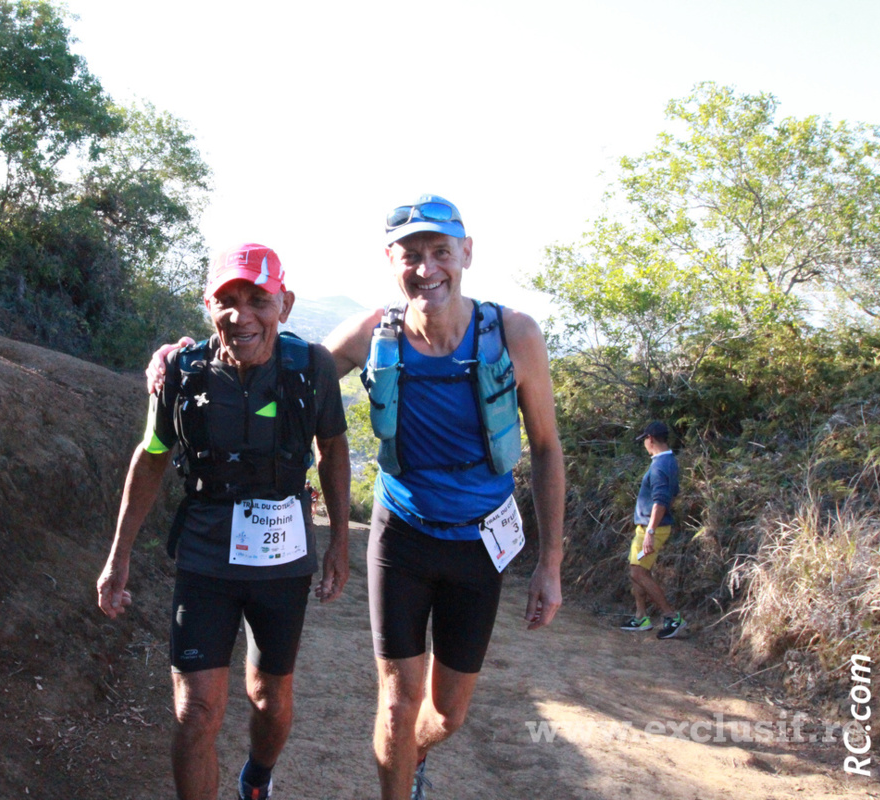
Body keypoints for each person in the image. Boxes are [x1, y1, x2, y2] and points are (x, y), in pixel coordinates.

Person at [146, 195, 564, 800]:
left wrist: (549, 564)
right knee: (397, 702)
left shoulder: (514, 334)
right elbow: (278, 355)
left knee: (446, 715)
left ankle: (412, 758)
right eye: (412, 255)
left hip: (480, 541)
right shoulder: (375, 334)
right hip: (402, 534)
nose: (427, 269)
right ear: (391, 261)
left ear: (466, 254)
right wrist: (182, 357)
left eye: (440, 252)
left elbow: (548, 448)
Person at [98, 243, 351, 800]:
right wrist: (118, 557)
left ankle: (257, 778)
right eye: (226, 301)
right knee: (196, 711)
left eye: (258, 299)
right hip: (206, 557)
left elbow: (333, 447)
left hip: (282, 562)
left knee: (269, 696)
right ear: (208, 306)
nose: (242, 316)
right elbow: (152, 456)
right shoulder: (180, 374)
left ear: (284, 303)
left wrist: (339, 543)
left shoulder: (311, 368)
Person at [620, 420, 685, 639]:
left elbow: (661, 500)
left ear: (650, 439)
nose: (645, 445)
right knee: (637, 570)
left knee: (637, 571)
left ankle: (671, 617)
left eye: (645, 441)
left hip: (652, 529)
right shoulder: (667, 461)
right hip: (648, 527)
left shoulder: (660, 466)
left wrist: (649, 531)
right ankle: (641, 617)